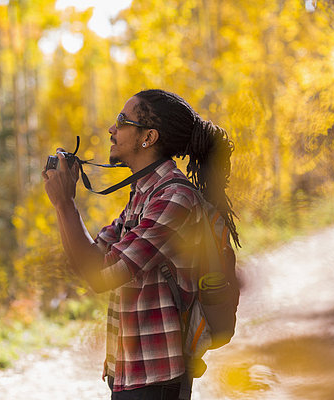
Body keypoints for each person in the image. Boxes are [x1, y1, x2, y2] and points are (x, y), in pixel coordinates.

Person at [42, 89, 240, 400]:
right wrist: (62, 204)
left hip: (157, 379)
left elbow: (102, 276)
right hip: (133, 373)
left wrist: (66, 204)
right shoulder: (144, 195)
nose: (112, 129)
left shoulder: (174, 198)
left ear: (147, 137)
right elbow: (92, 257)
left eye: (121, 121)